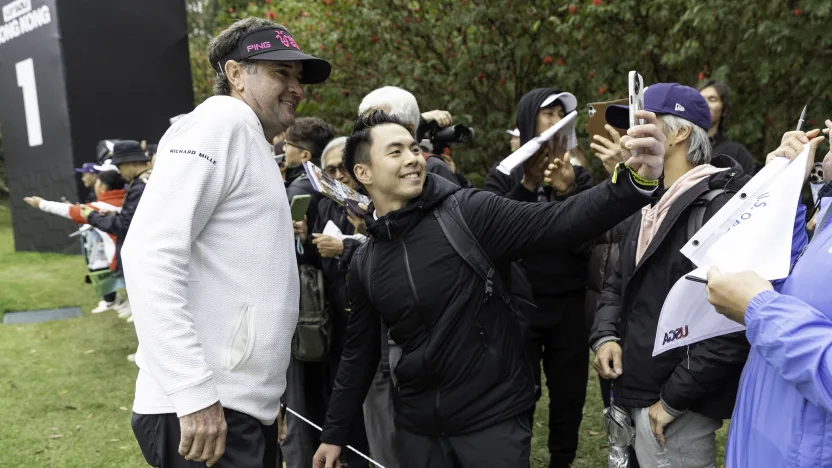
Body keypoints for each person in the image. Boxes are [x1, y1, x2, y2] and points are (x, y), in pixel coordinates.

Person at [313, 109, 667, 468]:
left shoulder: (467, 212)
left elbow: (559, 222)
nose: (413, 159)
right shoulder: (366, 262)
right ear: (363, 172)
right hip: (418, 432)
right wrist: (333, 435)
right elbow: (359, 354)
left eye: (414, 149)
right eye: (395, 152)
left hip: (493, 421)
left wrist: (631, 183)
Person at [120, 17, 330, 468]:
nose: (296, 87)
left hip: (235, 406)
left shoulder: (247, 137)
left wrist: (264, 400)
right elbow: (149, 254)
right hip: (204, 409)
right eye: (281, 72)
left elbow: (242, 271)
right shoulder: (219, 123)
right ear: (236, 74)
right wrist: (194, 392)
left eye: (298, 77)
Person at [591, 83, 752, 468]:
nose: (628, 134)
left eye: (641, 122)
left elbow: (729, 324)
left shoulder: (719, 209)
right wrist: (605, 336)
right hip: (634, 395)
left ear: (679, 133)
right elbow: (618, 281)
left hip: (672, 413)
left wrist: (672, 401)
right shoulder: (650, 201)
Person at [704, 126, 829, 468]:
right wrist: (782, 190)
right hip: (763, 443)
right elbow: (789, 281)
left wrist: (757, 309)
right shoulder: (828, 218)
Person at [483, 87, 593, 468]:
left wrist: (568, 193)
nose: (555, 120)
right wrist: (528, 184)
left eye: (562, 113)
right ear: (529, 119)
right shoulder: (503, 175)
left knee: (569, 396)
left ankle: (561, 461)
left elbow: (591, 242)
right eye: (548, 113)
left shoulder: (579, 176)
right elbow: (493, 235)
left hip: (568, 306)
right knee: (519, 393)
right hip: (518, 305)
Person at [292, 136, 372, 468]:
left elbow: (392, 250)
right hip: (336, 322)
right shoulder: (326, 203)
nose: (339, 176)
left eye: (343, 168)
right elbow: (315, 259)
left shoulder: (373, 202)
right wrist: (303, 237)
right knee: (341, 400)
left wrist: (348, 247)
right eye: (330, 170)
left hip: (373, 322)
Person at [24, 170, 128, 314]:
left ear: (103, 187)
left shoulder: (100, 207)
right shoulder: (131, 201)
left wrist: (41, 203)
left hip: (121, 257)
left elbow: (68, 210)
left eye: (98, 183)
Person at [77, 140, 152, 322]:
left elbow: (124, 226)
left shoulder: (140, 186)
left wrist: (92, 216)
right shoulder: (146, 181)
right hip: (150, 250)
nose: (118, 171)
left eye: (120, 165)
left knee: (148, 309)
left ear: (133, 163)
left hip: (145, 253)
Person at [358, 86, 462, 185]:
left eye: (378, 121)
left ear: (408, 127)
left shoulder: (432, 167)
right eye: (366, 123)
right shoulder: (369, 166)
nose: (368, 129)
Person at [284, 117, 336, 234]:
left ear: (305, 155)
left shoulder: (301, 187)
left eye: (287, 144)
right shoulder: (328, 178)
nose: (283, 149)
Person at [699, 81, 755, 175]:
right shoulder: (679, 148)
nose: (704, 104)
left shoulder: (738, 153)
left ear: (724, 110)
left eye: (712, 99)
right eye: (700, 99)